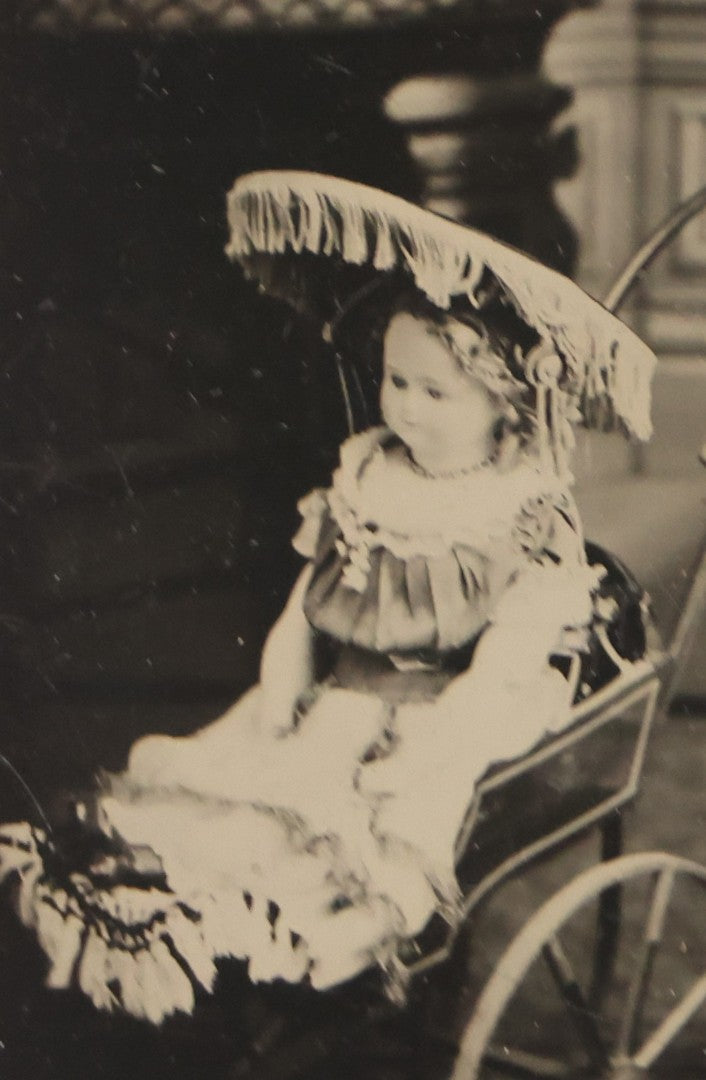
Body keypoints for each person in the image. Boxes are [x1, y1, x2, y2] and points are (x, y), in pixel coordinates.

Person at [0, 283, 618, 1025]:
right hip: (345, 691)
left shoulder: (518, 509)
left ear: (503, 403)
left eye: (435, 392)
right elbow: (312, 596)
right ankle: (193, 886)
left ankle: (328, 927)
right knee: (258, 770)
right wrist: (286, 672)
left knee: (379, 818)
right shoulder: (369, 475)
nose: (407, 408)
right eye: (395, 381)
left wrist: (439, 738)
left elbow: (509, 656)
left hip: (447, 709)